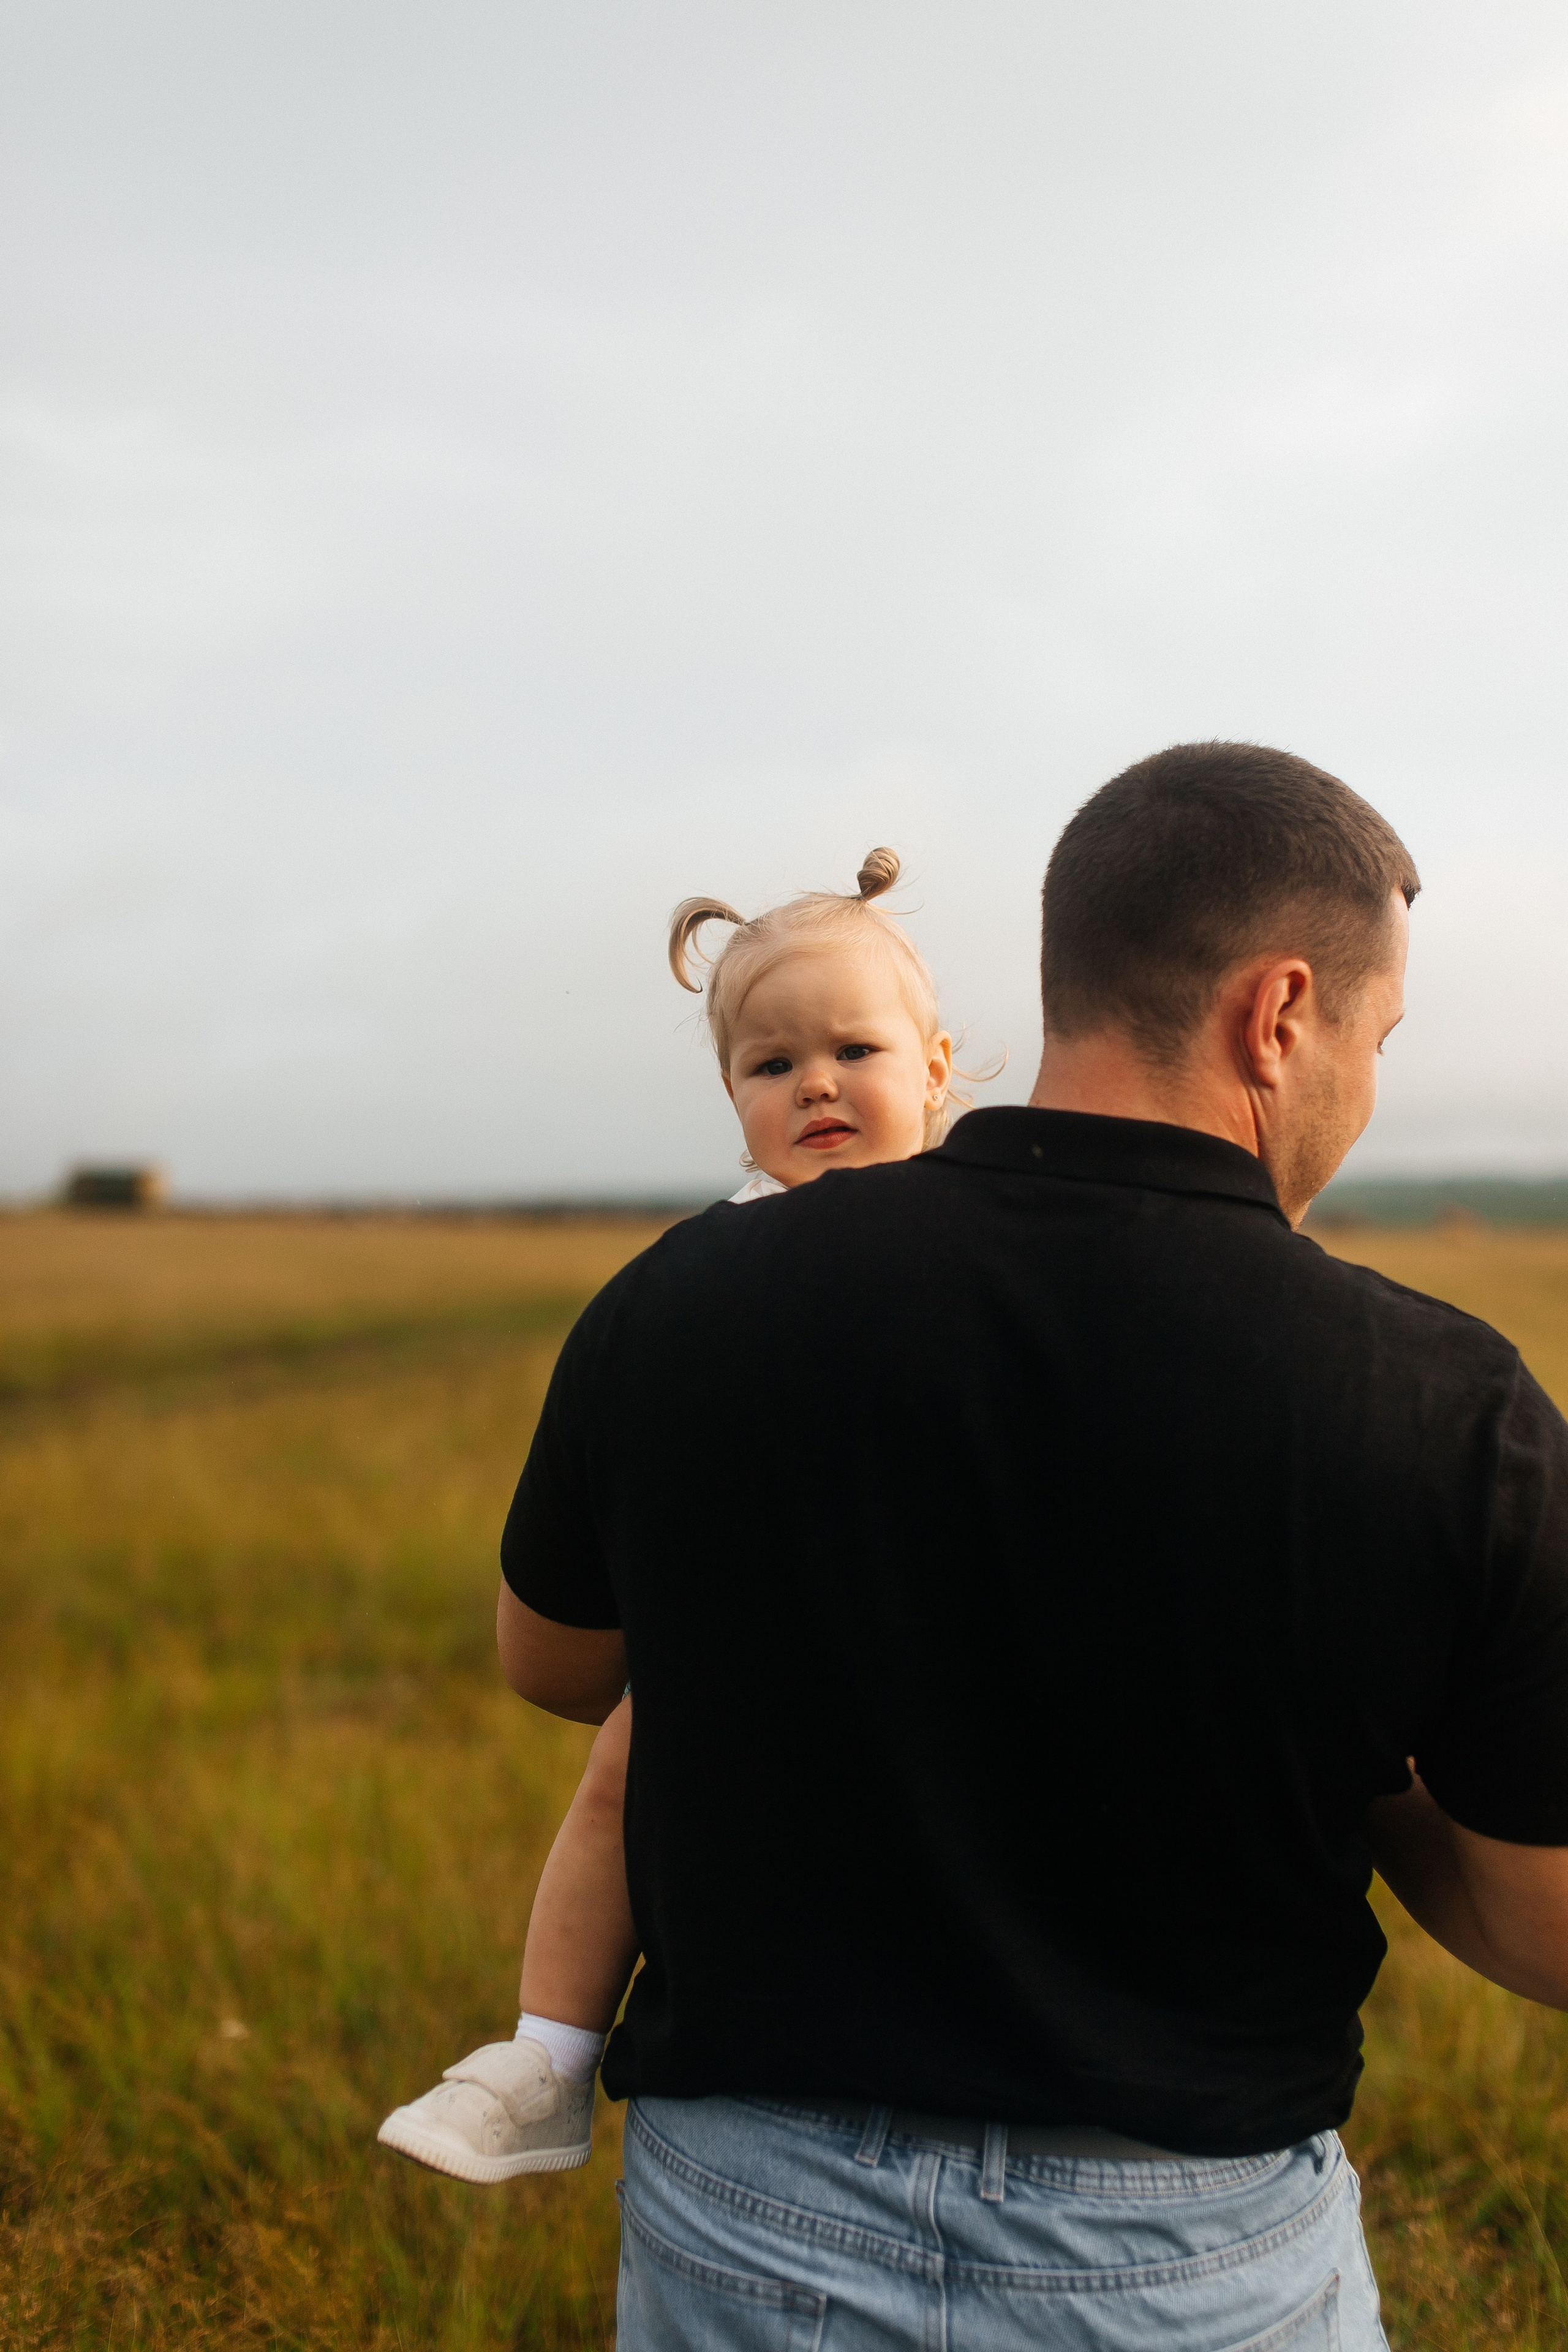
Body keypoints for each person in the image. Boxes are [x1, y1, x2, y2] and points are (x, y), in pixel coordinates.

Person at [491, 741, 1568, 2350]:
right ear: (1279, 1014)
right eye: (1375, 1037)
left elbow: (552, 1663)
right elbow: (1547, 1925)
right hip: (1187, 2262)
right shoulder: (1446, 1400)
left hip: (746, 2228)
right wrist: (1355, 1754)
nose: (1365, 1084)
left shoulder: (684, 1298)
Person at [377, 848, 958, 2182]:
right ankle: (547, 2053)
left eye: (855, 1051)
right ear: (733, 1101)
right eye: (771, 1064)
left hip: (926, 1617)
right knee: (621, 1780)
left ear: (934, 1069)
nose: (815, 1084)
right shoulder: (710, 1263)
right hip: (749, 1629)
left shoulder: (980, 1228)